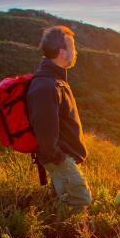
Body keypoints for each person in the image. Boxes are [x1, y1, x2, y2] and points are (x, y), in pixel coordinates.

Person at [26, 25, 93, 215]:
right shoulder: (46, 86)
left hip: (61, 155)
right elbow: (45, 130)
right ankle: (60, 236)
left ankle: (53, 231)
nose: (76, 52)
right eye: (72, 48)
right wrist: (59, 158)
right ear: (62, 52)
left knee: (64, 199)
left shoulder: (55, 80)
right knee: (79, 200)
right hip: (58, 157)